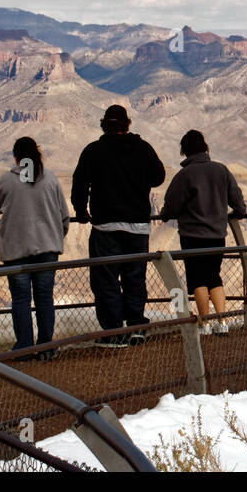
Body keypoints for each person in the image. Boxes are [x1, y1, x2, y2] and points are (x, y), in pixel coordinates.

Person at [71, 104, 165, 348]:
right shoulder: (143, 148)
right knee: (135, 278)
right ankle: (136, 328)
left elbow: (79, 183)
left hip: (105, 228)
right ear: (127, 124)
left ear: (104, 124)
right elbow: (158, 177)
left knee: (106, 280)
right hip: (138, 228)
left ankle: (114, 332)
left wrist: (81, 212)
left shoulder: (94, 151)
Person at [159, 130, 246, 337]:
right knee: (214, 277)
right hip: (217, 235)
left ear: (184, 151)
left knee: (198, 279)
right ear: (205, 148)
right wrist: (236, 214)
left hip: (192, 236)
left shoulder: (185, 175)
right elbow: (238, 202)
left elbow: (171, 207)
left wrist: (165, 215)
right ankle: (223, 322)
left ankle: (204, 324)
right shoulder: (221, 170)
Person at [0, 137, 68, 358]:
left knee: (21, 300)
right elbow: (63, 215)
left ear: (16, 156)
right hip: (47, 249)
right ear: (37, 154)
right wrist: (54, 237)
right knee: (44, 298)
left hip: (16, 251)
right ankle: (46, 348)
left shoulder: (6, 180)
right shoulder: (50, 179)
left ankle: (24, 348)